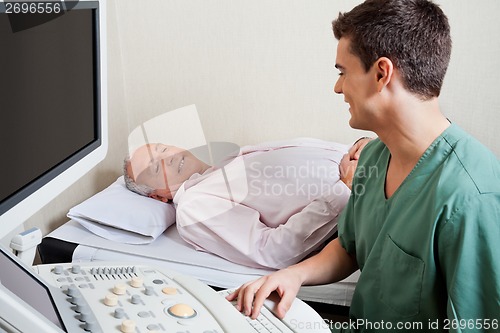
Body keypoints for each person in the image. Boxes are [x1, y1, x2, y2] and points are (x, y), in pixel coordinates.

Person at [227, 0, 500, 331]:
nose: (338, 87)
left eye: (343, 72)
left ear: (382, 73)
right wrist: (293, 275)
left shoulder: (472, 195)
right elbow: (349, 248)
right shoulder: (372, 158)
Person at [124, 138, 357, 269]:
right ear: (158, 196)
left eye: (163, 149)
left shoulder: (224, 165)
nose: (168, 157)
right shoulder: (193, 206)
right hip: (363, 197)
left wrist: (360, 145)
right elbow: (273, 250)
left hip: (375, 163)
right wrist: (344, 188)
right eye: (156, 167)